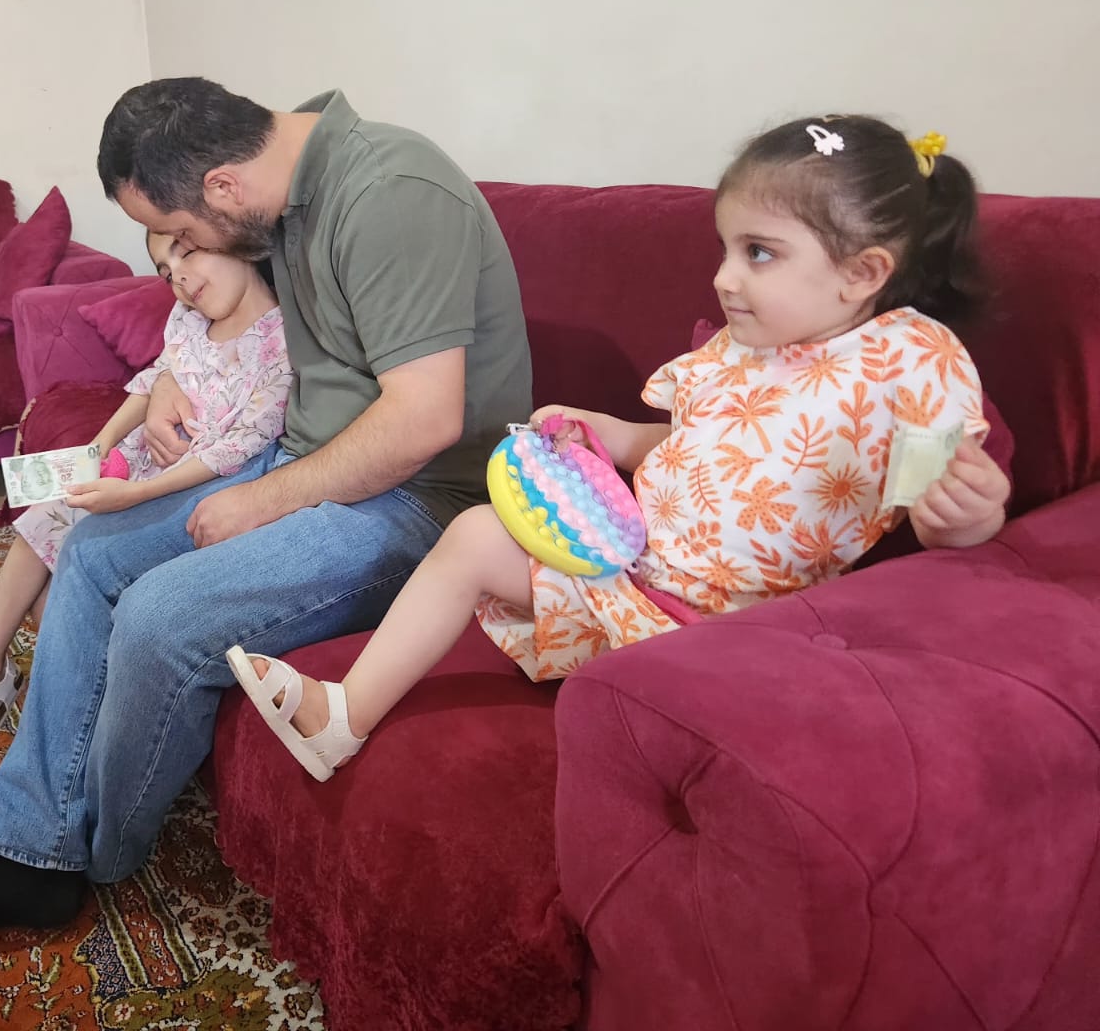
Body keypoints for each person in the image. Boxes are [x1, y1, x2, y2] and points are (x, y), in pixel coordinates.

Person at [0, 79, 531, 953]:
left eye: (184, 234)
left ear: (223, 187)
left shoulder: (391, 195)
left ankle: (92, 856)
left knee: (160, 615)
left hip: (418, 498)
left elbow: (424, 422)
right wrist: (169, 382)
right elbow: (224, 326)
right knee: (91, 550)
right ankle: (31, 838)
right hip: (308, 457)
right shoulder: (280, 179)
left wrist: (259, 498)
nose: (183, 260)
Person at [228, 115, 1012, 781]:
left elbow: (933, 508)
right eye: (726, 249)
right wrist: (613, 433)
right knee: (473, 535)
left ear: (862, 272)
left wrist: (966, 517)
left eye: (759, 253)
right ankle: (343, 715)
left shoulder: (912, 361)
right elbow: (696, 442)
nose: (725, 278)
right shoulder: (745, 345)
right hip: (630, 581)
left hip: (737, 636)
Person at [0, 229, 293, 779]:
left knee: (65, 585)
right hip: (139, 467)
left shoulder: (282, 340)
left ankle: (68, 719)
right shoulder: (188, 319)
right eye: (164, 271)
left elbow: (238, 446)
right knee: (43, 523)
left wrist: (136, 493)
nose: (178, 278)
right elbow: (153, 380)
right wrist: (98, 449)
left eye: (186, 252)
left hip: (190, 490)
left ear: (231, 236)